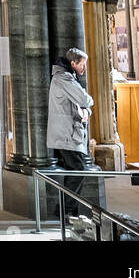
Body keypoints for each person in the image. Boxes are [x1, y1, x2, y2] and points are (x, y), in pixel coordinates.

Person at [46, 47, 97, 213]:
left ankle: (67, 208)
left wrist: (86, 110)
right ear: (73, 63)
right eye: (82, 64)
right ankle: (66, 208)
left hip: (69, 133)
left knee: (75, 169)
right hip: (65, 134)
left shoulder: (69, 77)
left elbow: (81, 105)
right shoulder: (64, 78)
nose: (84, 68)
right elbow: (84, 99)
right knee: (78, 169)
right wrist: (87, 105)